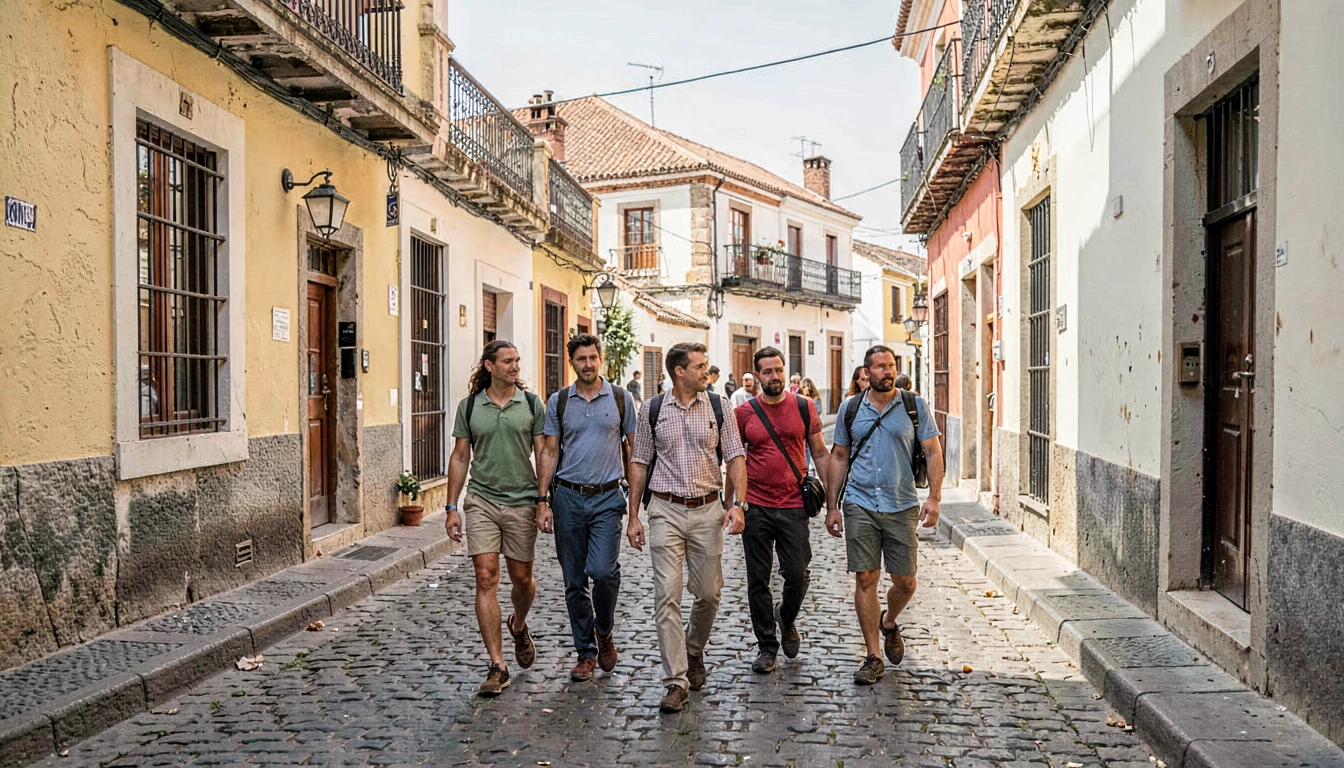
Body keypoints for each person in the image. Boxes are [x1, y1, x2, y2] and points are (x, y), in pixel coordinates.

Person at [626, 342, 747, 714]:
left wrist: (738, 504)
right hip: (665, 509)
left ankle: (694, 649)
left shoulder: (717, 405)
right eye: (699, 367)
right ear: (679, 371)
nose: (706, 373)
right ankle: (676, 680)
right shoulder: (652, 408)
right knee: (667, 596)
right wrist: (634, 516)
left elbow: (736, 455)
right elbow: (640, 462)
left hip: (708, 508)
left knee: (709, 593)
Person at [826, 345, 944, 685]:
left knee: (905, 581)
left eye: (890, 366)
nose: (886, 372)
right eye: (879, 367)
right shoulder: (850, 409)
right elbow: (839, 456)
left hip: (901, 503)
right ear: (866, 372)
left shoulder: (914, 406)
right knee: (866, 578)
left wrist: (934, 498)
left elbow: (933, 451)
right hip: (860, 503)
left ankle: (889, 620)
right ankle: (873, 656)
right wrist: (833, 506)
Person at [444, 341, 547, 697]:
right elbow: (459, 457)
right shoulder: (470, 407)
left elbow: (545, 452)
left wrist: (543, 500)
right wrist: (451, 506)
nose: (515, 366)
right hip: (482, 500)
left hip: (521, 502)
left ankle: (519, 625)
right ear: (489, 366)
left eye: (517, 360)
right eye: (508, 361)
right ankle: (497, 665)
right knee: (485, 576)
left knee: (523, 579)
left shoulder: (532, 405)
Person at [535, 334, 638, 682]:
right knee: (574, 581)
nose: (589, 364)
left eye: (593, 357)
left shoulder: (621, 399)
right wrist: (543, 499)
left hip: (608, 497)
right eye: (582, 359)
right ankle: (586, 653)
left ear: (601, 358)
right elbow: (549, 452)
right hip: (568, 498)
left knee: (604, 571)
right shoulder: (559, 402)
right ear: (572, 362)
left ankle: (604, 629)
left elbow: (634, 451)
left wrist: (636, 504)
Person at [733, 347, 829, 674]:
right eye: (767, 372)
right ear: (757, 376)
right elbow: (735, 460)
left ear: (785, 372)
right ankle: (766, 647)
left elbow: (820, 452)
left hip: (793, 507)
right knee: (758, 580)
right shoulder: (744, 413)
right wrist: (734, 505)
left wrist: (832, 501)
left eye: (778, 370)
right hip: (756, 506)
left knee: (798, 573)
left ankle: (785, 617)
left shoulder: (804, 407)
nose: (774, 377)